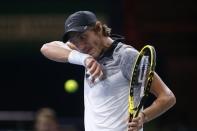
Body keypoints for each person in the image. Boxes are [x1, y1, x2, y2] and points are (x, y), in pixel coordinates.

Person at [40, 11, 176, 131]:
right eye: (75, 42)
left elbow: (167, 97)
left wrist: (144, 116)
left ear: (98, 28)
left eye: (83, 37)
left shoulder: (127, 56)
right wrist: (84, 59)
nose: (80, 46)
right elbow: (46, 48)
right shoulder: (85, 52)